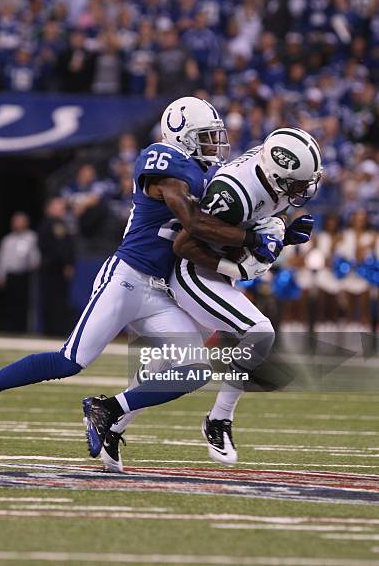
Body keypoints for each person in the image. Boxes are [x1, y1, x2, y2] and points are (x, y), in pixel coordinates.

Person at [0, 96, 283, 449]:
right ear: (181, 136)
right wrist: (252, 235)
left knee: (193, 371)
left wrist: (278, 229)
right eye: (206, 136)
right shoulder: (163, 160)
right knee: (70, 361)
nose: (214, 144)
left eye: (215, 136)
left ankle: (107, 410)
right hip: (127, 278)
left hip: (161, 290)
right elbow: (193, 221)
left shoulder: (207, 173)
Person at [97, 127, 322, 472]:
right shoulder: (234, 192)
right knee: (259, 332)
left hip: (212, 268)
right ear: (278, 174)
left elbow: (252, 228)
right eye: (297, 184)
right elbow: (185, 245)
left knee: (167, 368)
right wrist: (238, 264)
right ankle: (219, 421)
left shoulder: (268, 178)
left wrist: (282, 236)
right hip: (194, 270)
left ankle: (113, 417)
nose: (302, 190)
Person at [0, 212, 40, 333]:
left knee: (23, 303)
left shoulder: (31, 237)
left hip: (24, 275)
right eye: (15, 221)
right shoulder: (8, 239)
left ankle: (23, 328)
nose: (17, 224)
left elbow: (35, 254)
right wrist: (0, 275)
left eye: (20, 221)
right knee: (10, 303)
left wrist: (35, 263)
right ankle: (10, 328)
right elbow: (2, 258)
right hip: (11, 275)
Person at [38, 197, 76, 336]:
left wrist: (69, 263)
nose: (62, 209)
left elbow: (68, 246)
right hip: (53, 268)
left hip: (55, 269)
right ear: (50, 208)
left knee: (57, 300)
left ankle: (54, 330)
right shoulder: (53, 224)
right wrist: (67, 263)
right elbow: (60, 248)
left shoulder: (59, 224)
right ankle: (53, 330)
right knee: (53, 301)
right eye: (58, 206)